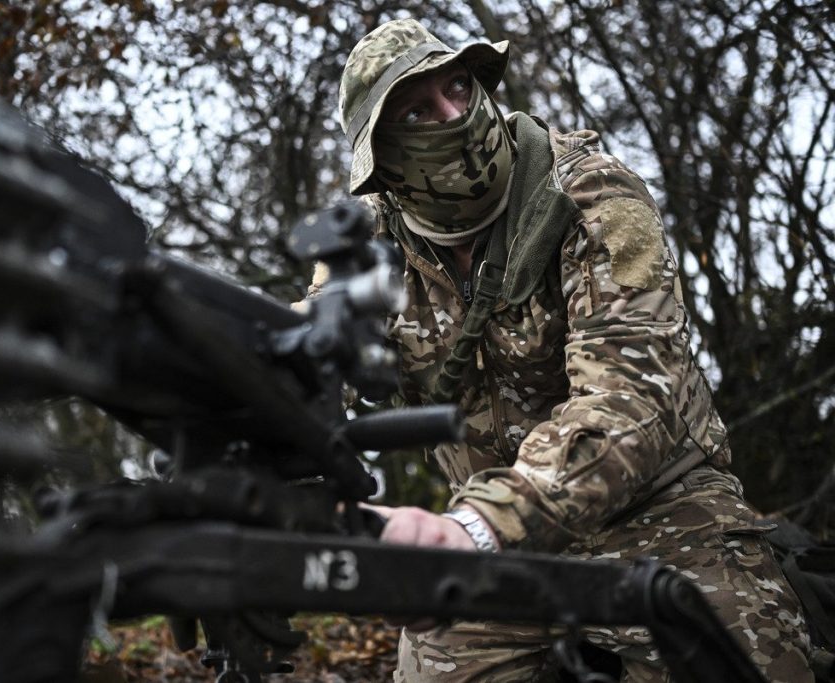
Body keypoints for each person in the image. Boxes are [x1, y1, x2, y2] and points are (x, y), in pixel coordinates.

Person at [318, 17, 815, 682]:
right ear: (383, 159)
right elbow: (305, 360)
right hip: (490, 551)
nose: (455, 113)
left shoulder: (590, 192)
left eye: (461, 87)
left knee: (752, 664)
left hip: (663, 518)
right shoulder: (366, 248)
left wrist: (473, 528)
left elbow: (631, 399)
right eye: (418, 108)